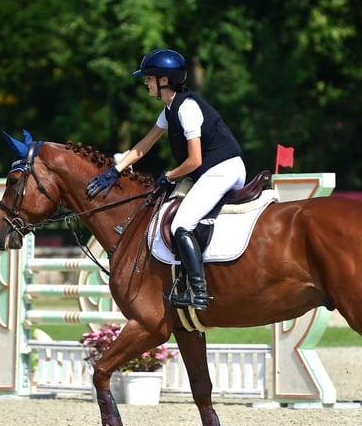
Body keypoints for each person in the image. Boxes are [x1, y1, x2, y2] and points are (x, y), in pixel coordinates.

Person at [86, 48, 246, 311]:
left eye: (149, 78)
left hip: (223, 169)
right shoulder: (170, 109)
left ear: (164, 80)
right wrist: (116, 170)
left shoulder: (187, 109)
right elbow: (143, 146)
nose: (145, 82)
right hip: (208, 170)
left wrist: (168, 175)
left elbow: (194, 160)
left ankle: (199, 292)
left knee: (180, 225)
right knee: (161, 208)